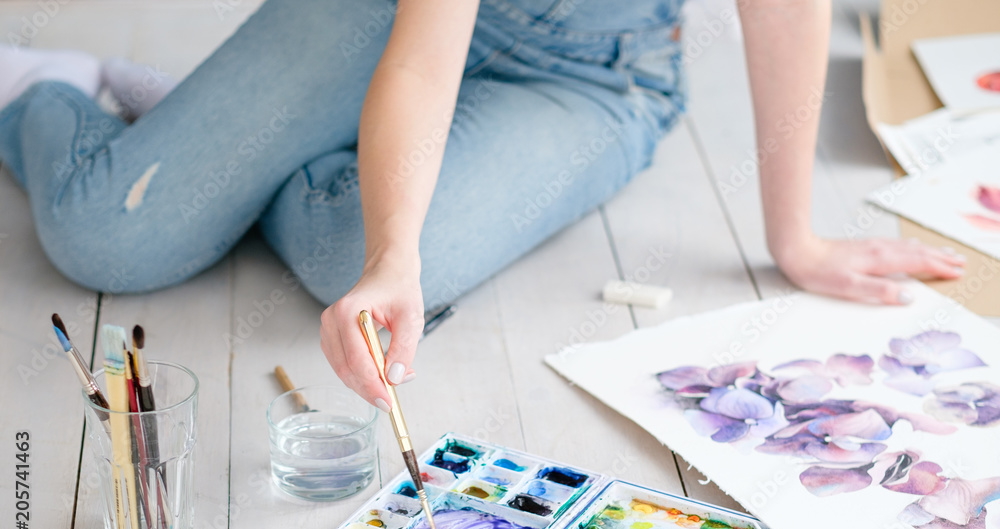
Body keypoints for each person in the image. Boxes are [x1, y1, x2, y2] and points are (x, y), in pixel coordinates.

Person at [0, 0, 964, 413]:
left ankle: (227, 147)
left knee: (359, 257)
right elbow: (423, 55)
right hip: (391, 17)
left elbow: (786, 9)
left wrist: (791, 236)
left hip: (590, 74)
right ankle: (58, 91)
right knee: (105, 234)